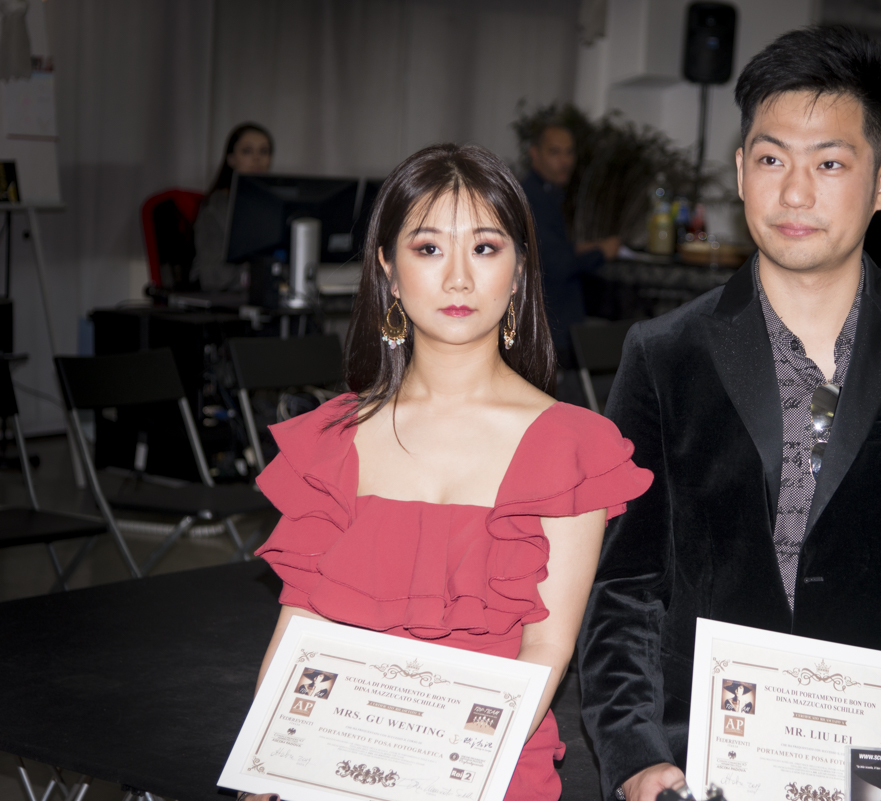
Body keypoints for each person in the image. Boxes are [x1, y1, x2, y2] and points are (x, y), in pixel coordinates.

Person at [578, 25, 881, 801]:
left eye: (829, 163)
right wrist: (632, 754)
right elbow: (625, 585)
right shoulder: (664, 354)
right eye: (771, 160)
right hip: (709, 764)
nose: (795, 193)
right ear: (740, 171)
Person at [244, 143, 652, 801]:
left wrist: (444, 775)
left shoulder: (574, 445)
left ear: (518, 272)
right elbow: (301, 630)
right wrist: (264, 766)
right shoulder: (333, 438)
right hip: (338, 762)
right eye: (429, 248)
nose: (458, 277)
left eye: (485, 248)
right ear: (388, 269)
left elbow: (545, 651)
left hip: (483, 768)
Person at [519, 121, 620, 362]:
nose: (564, 161)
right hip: (549, 325)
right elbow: (557, 265)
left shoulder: (547, 193)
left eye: (569, 152)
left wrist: (579, 248)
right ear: (535, 154)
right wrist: (601, 254)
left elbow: (546, 248)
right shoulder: (534, 199)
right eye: (555, 152)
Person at [191, 123, 273, 291]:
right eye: (247, 151)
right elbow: (213, 277)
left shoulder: (271, 207)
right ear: (231, 159)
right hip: (222, 297)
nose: (257, 158)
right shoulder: (215, 208)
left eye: (264, 151)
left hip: (262, 294)